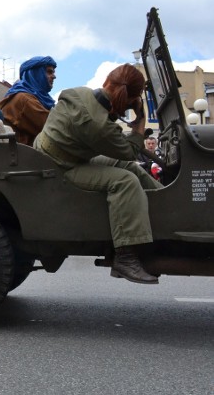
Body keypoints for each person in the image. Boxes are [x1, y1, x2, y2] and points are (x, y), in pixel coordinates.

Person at [35, 64, 162, 284]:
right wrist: (141, 117)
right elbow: (131, 150)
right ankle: (125, 256)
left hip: (58, 157)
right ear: (131, 98)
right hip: (60, 168)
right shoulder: (99, 125)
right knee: (125, 181)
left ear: (106, 81)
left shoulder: (78, 93)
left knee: (130, 168)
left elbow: (121, 150)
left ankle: (167, 204)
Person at [0, 56, 57, 146]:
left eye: (53, 72)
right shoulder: (25, 99)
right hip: (23, 157)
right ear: (35, 74)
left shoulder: (37, 98)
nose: (54, 76)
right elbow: (55, 129)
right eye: (49, 72)